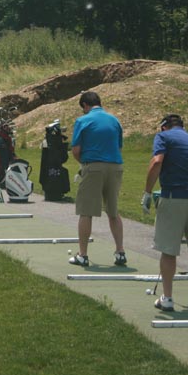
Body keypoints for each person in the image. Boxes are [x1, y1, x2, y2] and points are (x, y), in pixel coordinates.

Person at [142, 114, 188, 312]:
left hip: (175, 198)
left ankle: (167, 298)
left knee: (168, 250)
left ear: (164, 126)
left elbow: (157, 161)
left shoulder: (163, 137)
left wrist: (147, 192)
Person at [68, 91, 126, 267]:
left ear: (85, 105)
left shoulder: (83, 121)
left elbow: (76, 150)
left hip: (93, 166)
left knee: (86, 211)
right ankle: (120, 252)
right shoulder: (115, 120)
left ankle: (83, 255)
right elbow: (118, 146)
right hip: (115, 167)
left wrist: (85, 165)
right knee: (113, 212)